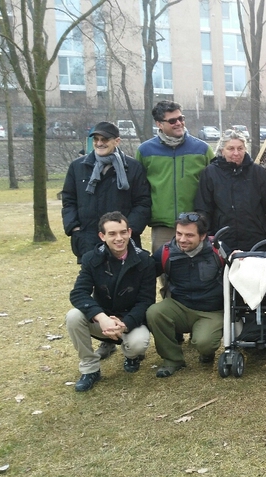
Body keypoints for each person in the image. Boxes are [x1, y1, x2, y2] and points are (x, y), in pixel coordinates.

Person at [66, 212, 155, 392]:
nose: (119, 238)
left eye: (123, 232)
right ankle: (90, 369)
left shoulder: (144, 259)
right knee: (73, 316)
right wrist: (101, 317)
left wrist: (125, 323)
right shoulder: (91, 258)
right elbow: (78, 293)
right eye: (112, 234)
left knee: (139, 343)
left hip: (130, 320)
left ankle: (132, 356)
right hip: (102, 319)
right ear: (102, 236)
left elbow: (146, 301)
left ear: (130, 232)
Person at [146, 212, 225, 378]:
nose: (182, 239)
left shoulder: (218, 250)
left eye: (189, 235)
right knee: (154, 312)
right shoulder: (166, 251)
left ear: (203, 236)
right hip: (179, 306)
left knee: (204, 343)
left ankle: (207, 351)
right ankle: (172, 360)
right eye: (179, 234)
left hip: (211, 311)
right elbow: (145, 274)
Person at [62, 121, 151, 262]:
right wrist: (74, 228)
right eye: (96, 139)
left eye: (104, 139)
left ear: (117, 141)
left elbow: (143, 202)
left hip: (122, 241)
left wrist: (128, 231)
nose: (99, 143)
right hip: (88, 239)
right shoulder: (77, 167)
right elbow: (69, 200)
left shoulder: (133, 168)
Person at [136, 100, 214, 254]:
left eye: (181, 118)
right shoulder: (145, 151)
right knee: (164, 268)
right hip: (163, 226)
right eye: (172, 120)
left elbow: (215, 183)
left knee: (197, 271)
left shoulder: (202, 149)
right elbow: (138, 188)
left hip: (195, 224)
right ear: (159, 124)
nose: (179, 123)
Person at [195, 129, 266, 252]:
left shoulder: (257, 173)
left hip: (255, 238)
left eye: (240, 148)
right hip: (223, 240)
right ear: (222, 151)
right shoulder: (210, 173)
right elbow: (204, 208)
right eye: (231, 149)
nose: (236, 153)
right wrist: (208, 238)